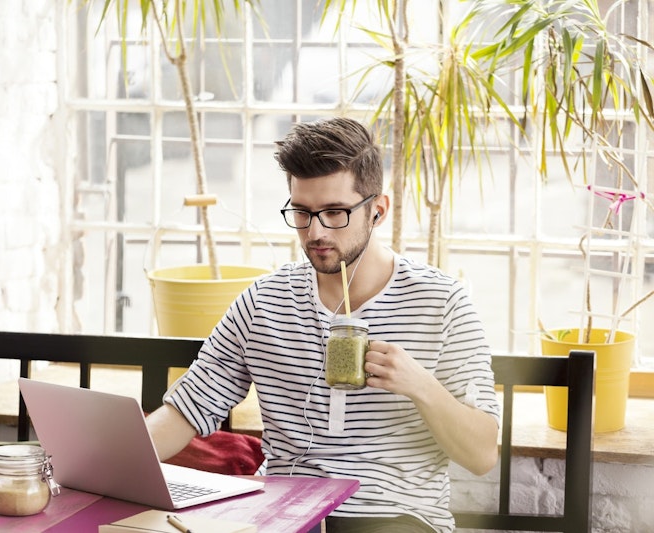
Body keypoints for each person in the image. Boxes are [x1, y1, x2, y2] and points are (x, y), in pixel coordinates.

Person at [146, 117, 500, 533]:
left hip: (396, 518)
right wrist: (100, 461)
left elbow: (481, 455)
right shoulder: (263, 301)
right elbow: (187, 410)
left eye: (334, 212)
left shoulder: (443, 303)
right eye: (301, 212)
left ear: (378, 210)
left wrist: (420, 385)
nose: (314, 232)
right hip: (282, 516)